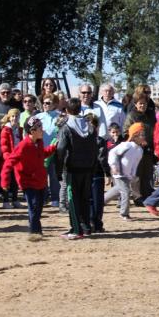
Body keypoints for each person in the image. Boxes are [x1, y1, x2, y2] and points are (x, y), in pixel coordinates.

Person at [0, 117, 58, 239]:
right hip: (28, 182)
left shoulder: (39, 142)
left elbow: (42, 154)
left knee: (39, 207)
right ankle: (35, 232)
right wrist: (5, 181)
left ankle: (35, 229)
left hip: (40, 181)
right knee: (34, 206)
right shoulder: (23, 146)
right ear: (32, 131)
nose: (42, 130)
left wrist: (53, 148)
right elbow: (9, 162)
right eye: (40, 127)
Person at [57, 98, 98, 239]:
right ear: (80, 109)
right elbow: (95, 148)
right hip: (88, 168)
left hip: (72, 168)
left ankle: (75, 229)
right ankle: (86, 227)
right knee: (85, 199)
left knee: (73, 200)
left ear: (67, 110)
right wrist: (92, 165)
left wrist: (58, 168)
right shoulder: (90, 126)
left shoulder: (66, 126)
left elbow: (61, 148)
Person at [106, 122, 146, 221]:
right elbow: (112, 153)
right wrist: (114, 166)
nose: (144, 137)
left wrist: (132, 175)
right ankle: (124, 214)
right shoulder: (127, 145)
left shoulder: (140, 150)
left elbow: (135, 164)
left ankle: (98, 201)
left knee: (116, 191)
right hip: (118, 173)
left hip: (127, 175)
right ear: (135, 136)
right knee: (126, 192)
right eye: (142, 135)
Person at [123, 91, 156, 203]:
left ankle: (147, 195)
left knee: (147, 173)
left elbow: (154, 130)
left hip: (148, 148)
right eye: (140, 103)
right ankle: (137, 197)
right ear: (136, 104)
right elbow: (126, 132)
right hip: (136, 148)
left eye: (144, 103)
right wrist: (138, 141)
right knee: (136, 174)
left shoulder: (150, 115)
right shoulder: (131, 116)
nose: (142, 106)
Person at [86, 113, 111, 232]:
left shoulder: (81, 139)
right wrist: (108, 173)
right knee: (97, 200)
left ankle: (90, 221)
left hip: (85, 172)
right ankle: (96, 223)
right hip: (97, 173)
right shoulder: (99, 140)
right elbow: (102, 158)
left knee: (89, 199)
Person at [35, 94, 61, 208]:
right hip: (41, 150)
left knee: (54, 175)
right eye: (44, 103)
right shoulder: (38, 117)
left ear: (54, 104)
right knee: (42, 175)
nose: (45, 105)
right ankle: (43, 197)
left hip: (55, 150)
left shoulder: (60, 116)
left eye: (48, 103)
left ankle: (55, 198)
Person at [0, 108, 24, 209]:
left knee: (15, 180)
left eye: (17, 116)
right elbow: (4, 145)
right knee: (6, 180)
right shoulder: (5, 129)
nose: (15, 118)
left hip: (18, 158)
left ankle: (15, 199)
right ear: (9, 117)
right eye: (13, 116)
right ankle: (5, 201)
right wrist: (8, 158)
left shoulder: (20, 129)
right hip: (8, 159)